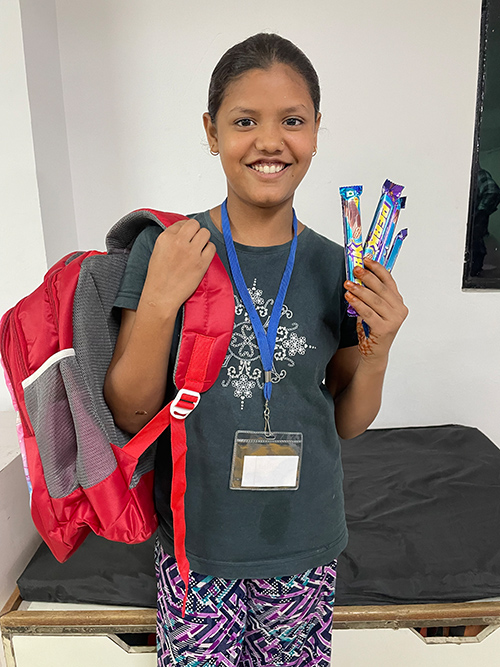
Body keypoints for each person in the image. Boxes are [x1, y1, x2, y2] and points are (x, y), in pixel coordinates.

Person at [104, 32, 408, 667]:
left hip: (305, 540)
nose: (270, 141)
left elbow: (347, 421)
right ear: (211, 132)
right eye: (245, 121)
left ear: (316, 131)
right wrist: (159, 301)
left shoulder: (338, 264)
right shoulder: (167, 248)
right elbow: (131, 413)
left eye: (292, 121)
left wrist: (377, 350)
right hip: (196, 544)